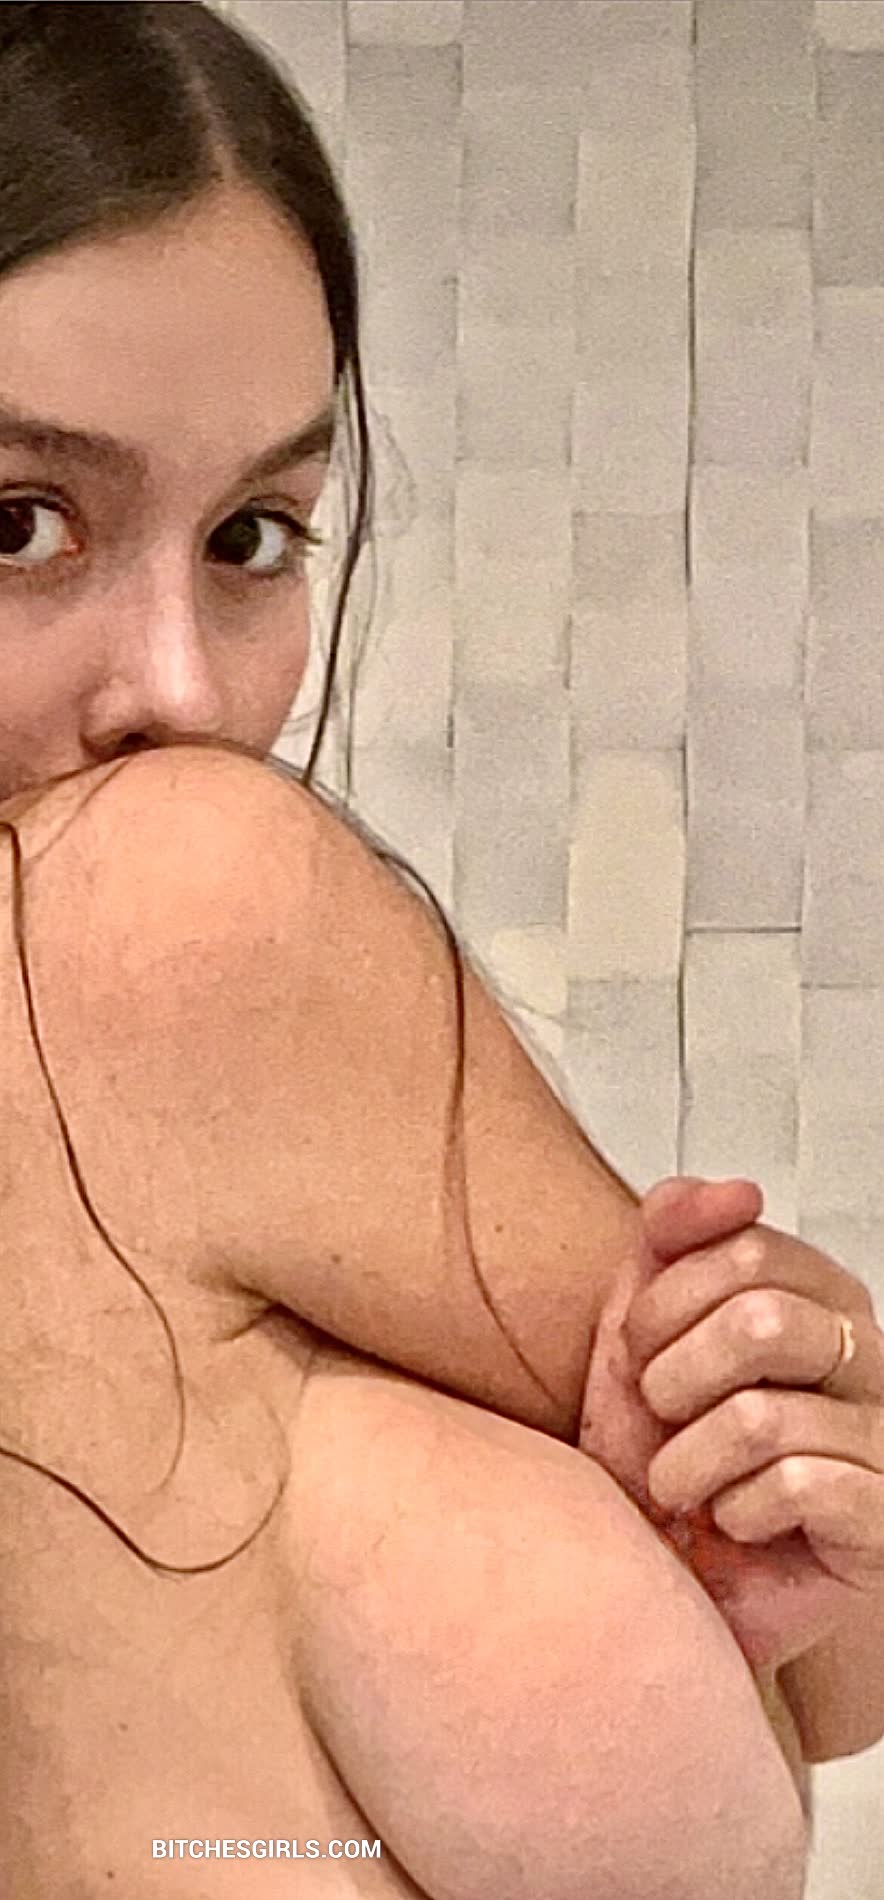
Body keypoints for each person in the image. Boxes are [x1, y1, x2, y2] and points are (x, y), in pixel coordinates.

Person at [0, 4, 881, 1894]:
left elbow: (836, 1630)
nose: (182, 694)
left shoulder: (153, 946)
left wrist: (811, 1425)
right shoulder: (172, 908)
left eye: (254, 536)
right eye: (18, 523)